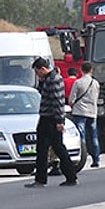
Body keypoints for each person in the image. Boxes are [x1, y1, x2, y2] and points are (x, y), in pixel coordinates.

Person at [25, 57, 78, 188]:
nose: (37, 75)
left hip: (50, 118)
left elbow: (57, 101)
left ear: (42, 69)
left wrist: (60, 120)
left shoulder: (53, 80)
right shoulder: (51, 78)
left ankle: (41, 179)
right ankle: (70, 176)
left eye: (38, 72)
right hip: (49, 117)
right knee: (57, 147)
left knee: (45, 149)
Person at [69, 62, 101, 167]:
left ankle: (82, 157)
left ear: (81, 70)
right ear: (91, 70)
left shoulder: (78, 83)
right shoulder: (95, 83)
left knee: (81, 135)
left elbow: (71, 99)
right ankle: (96, 159)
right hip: (92, 111)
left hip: (80, 112)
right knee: (93, 136)